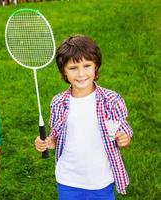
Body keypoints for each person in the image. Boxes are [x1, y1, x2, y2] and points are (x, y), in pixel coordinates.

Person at [35, 35, 133, 199]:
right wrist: (48, 142)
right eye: (73, 68)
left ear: (95, 67)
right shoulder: (58, 102)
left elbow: (124, 131)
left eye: (87, 66)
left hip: (101, 180)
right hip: (68, 179)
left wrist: (124, 138)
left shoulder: (111, 100)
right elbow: (57, 136)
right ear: (64, 72)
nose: (81, 74)